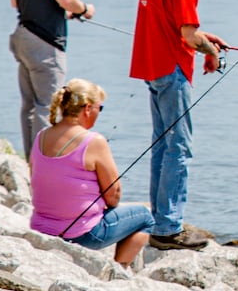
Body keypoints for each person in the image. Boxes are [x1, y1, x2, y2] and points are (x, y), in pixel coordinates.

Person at [129, 0, 229, 251]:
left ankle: (160, 220)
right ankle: (169, 228)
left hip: (152, 66)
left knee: (162, 144)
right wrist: (211, 52)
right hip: (172, 69)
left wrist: (205, 38)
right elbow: (187, 36)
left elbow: (177, 26)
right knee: (179, 147)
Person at [29, 79, 153, 266]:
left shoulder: (42, 135)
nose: (98, 113)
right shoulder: (94, 141)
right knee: (147, 215)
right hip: (82, 234)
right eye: (99, 108)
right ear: (87, 108)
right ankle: (118, 270)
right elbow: (114, 196)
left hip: (41, 229)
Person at [9, 0, 94, 153]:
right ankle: (45, 163)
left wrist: (59, 10)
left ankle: (31, 160)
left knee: (29, 106)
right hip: (45, 42)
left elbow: (16, 1)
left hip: (23, 36)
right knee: (49, 105)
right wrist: (83, 9)